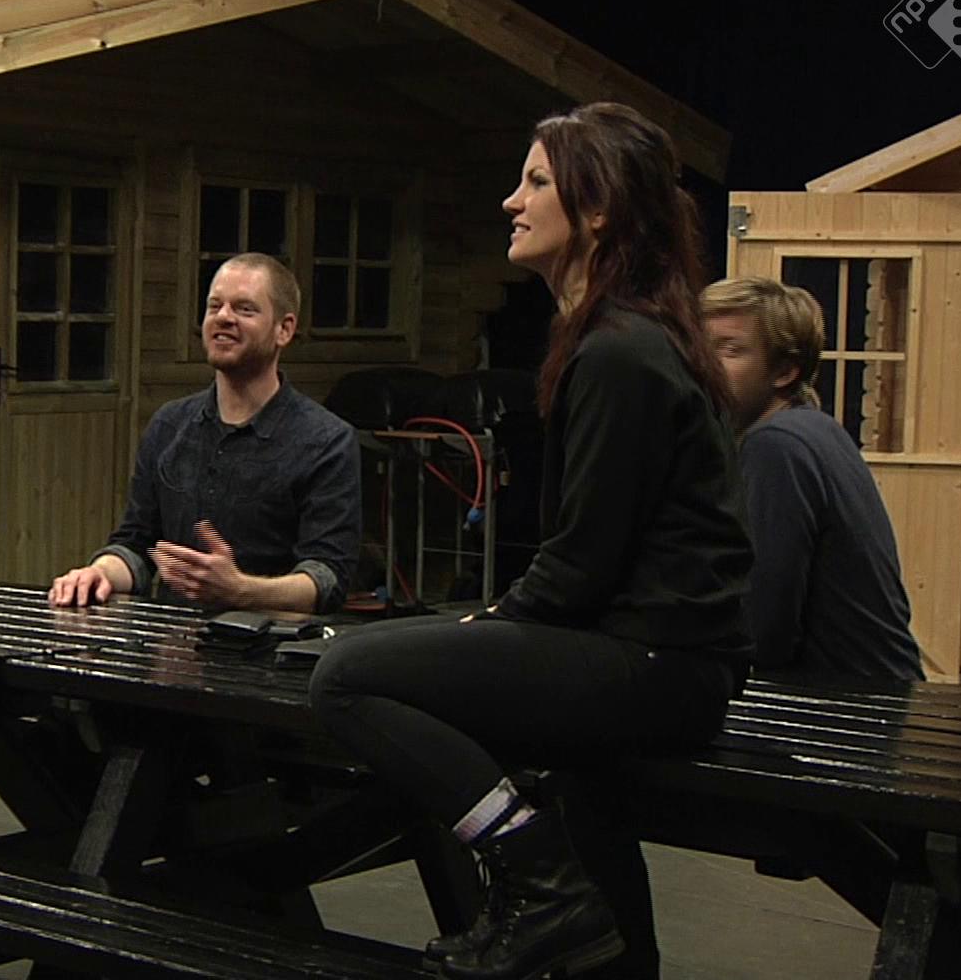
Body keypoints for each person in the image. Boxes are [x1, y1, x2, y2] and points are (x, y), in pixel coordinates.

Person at [310, 103, 753, 980]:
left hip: (661, 666)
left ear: (599, 211)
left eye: (537, 182)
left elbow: (582, 563)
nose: (512, 202)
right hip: (658, 659)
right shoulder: (620, 338)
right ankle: (594, 929)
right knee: (575, 789)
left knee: (347, 676)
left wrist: (492, 623)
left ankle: (539, 880)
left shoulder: (621, 352)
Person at [48, 253, 360, 613]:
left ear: (284, 330)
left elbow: (327, 578)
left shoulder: (327, 441)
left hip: (273, 641)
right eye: (215, 306)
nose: (223, 317)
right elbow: (137, 544)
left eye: (244, 309)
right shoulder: (169, 425)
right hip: (173, 641)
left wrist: (241, 591)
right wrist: (99, 572)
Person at [702, 276, 923, 681]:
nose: (705, 366)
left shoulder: (777, 445)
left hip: (848, 703)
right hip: (880, 692)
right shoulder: (815, 428)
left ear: (785, 371)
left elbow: (764, 631)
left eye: (730, 350)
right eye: (701, 348)